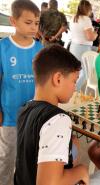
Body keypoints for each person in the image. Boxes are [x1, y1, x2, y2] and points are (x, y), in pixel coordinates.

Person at [14, 45, 100, 185]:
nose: (75, 87)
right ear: (58, 79)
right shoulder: (58, 119)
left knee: (74, 142)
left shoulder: (25, 108)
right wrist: (81, 171)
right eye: (74, 81)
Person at [0, 1, 42, 185]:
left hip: (33, 116)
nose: (34, 27)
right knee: (7, 159)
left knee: (29, 158)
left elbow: (43, 82)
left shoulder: (40, 49)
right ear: (13, 21)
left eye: (36, 22)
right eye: (28, 22)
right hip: (10, 116)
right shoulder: (3, 48)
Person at [70, 0, 97, 92]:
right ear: (88, 9)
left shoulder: (74, 18)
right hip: (83, 48)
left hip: (73, 47)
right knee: (87, 72)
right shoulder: (85, 19)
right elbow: (90, 37)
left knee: (74, 71)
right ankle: (74, 90)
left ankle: (70, 90)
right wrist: (95, 34)